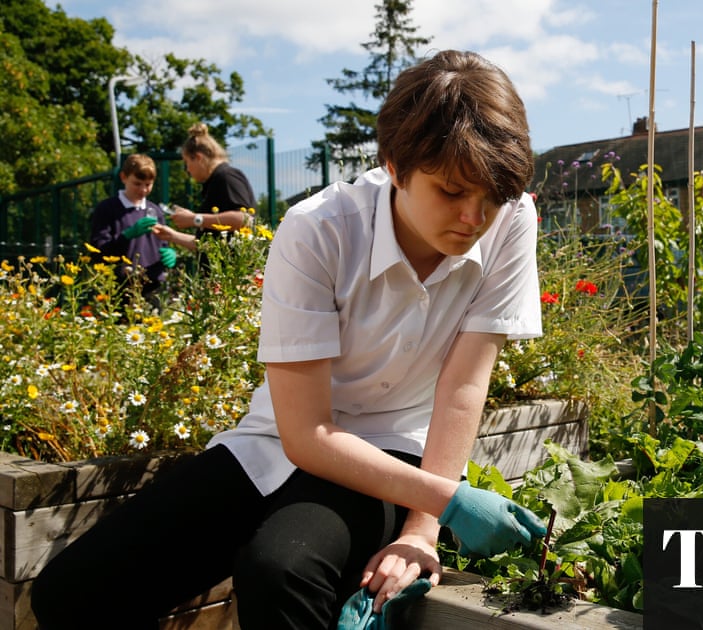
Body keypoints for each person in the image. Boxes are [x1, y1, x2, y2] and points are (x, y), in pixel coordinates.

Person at [32, 49, 546, 629]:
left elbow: (464, 384)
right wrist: (449, 501)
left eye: (493, 197)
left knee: (281, 569)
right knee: (71, 593)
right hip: (281, 442)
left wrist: (422, 528)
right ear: (395, 166)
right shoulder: (317, 231)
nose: (474, 218)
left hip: (398, 448)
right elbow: (305, 435)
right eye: (452, 192)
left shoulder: (513, 220)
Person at [89, 153, 177, 309]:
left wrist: (169, 255)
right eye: (137, 183)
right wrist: (126, 236)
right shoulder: (108, 209)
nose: (143, 190)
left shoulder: (155, 210)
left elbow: (163, 245)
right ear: (123, 177)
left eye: (148, 184)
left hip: (153, 287)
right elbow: (98, 251)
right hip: (119, 287)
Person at [163, 122, 256, 247]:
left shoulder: (226, 177)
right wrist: (171, 235)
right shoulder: (214, 182)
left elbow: (244, 220)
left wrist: (194, 219)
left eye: (187, 162)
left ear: (198, 157)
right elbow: (206, 247)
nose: (187, 170)